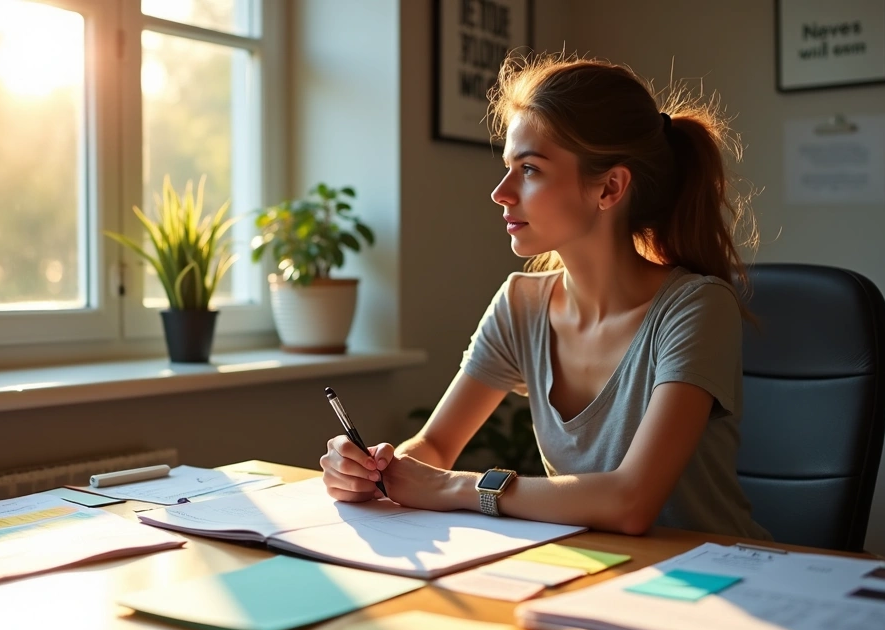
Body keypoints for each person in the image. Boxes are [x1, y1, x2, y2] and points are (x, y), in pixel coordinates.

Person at [320, 53, 770, 540]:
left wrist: (460, 489)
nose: (500, 192)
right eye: (509, 166)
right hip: (590, 576)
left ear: (610, 188)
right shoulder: (521, 304)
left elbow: (631, 502)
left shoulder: (696, 307)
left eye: (529, 169)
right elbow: (432, 446)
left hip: (712, 584)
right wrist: (375, 471)